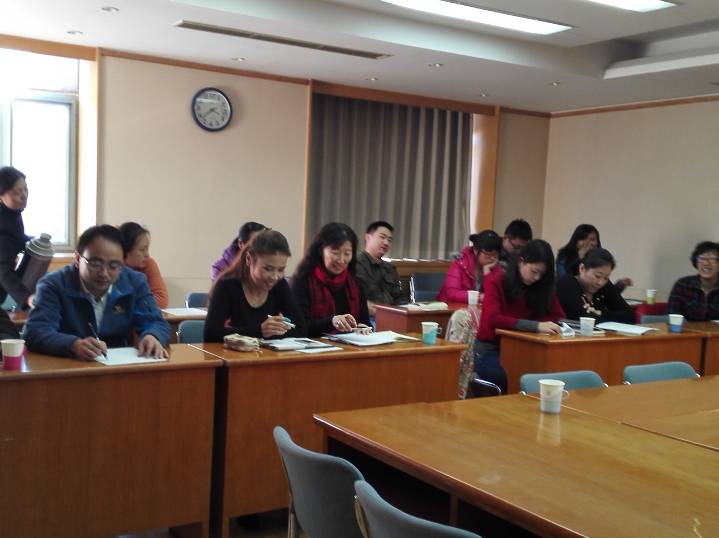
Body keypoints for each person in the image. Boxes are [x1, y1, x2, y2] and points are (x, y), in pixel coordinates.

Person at [24, 225, 170, 360]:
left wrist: (153, 335)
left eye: (114, 265)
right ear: (78, 259)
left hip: (117, 365)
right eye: (95, 263)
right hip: (68, 365)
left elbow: (156, 322)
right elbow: (36, 331)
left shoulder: (135, 282)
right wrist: (72, 344)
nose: (104, 273)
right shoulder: (54, 284)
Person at [474, 239, 565, 393]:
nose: (537, 278)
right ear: (521, 261)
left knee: (548, 372)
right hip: (490, 350)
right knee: (511, 377)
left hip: (525, 347)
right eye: (534, 271)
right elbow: (493, 319)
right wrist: (535, 326)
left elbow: (558, 315)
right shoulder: (497, 281)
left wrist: (537, 326)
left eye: (542, 274)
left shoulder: (541, 286)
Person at [204, 229, 305, 341]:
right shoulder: (227, 286)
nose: (275, 277)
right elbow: (211, 334)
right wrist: (260, 331)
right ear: (249, 259)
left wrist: (271, 332)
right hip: (234, 351)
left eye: (281, 270)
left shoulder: (280, 285)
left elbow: (301, 329)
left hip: (268, 351)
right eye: (268, 269)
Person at [291, 222, 370, 337]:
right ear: (321, 250)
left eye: (347, 253)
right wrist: (332, 322)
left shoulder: (356, 284)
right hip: (314, 345)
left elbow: (365, 322)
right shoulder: (302, 281)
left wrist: (363, 328)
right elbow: (299, 326)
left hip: (350, 345)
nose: (341, 260)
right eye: (335, 252)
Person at [556, 248, 634, 323]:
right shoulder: (567, 284)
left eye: (606, 277)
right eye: (597, 276)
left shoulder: (605, 285)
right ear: (582, 268)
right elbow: (581, 318)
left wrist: (600, 313)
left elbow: (629, 315)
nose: (601, 283)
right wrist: (604, 316)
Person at [556, 224, 633, 291]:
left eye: (592, 239)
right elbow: (563, 280)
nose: (589, 243)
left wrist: (620, 285)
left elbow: (605, 293)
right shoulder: (564, 255)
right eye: (583, 239)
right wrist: (579, 259)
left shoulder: (600, 260)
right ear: (576, 241)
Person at [0, 166, 33, 309]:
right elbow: (3, 272)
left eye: (25, 189)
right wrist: (27, 298)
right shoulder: (3, 227)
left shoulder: (12, 213)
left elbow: (16, 237)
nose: (24, 195)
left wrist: (31, 240)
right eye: (16, 192)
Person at [437, 229, 502, 303]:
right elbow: (452, 293)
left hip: (478, 308)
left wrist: (487, 273)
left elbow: (497, 294)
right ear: (475, 250)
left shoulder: (496, 266)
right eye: (488, 254)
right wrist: (479, 297)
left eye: (495, 254)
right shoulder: (460, 263)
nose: (492, 258)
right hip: (452, 307)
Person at [355, 220, 403, 315]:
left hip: (393, 314)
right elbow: (356, 299)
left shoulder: (390, 268)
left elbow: (399, 297)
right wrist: (385, 313)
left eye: (389, 240)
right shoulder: (356, 262)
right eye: (382, 237)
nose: (386, 243)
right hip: (367, 316)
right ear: (368, 237)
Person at [119, 222, 169, 309]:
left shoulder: (148, 263)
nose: (147, 255)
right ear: (125, 251)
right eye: (142, 249)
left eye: (147, 249)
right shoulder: (111, 269)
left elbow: (162, 300)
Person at [668, 241, 719, 321]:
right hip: (685, 329)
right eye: (701, 258)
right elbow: (672, 316)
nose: (706, 263)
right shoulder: (683, 285)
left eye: (712, 259)